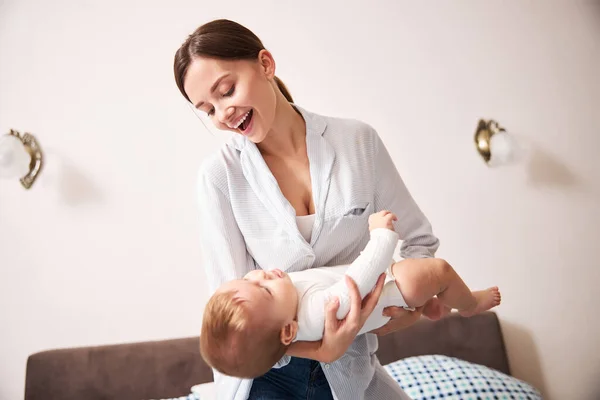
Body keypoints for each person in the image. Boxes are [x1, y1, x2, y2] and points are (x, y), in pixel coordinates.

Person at [174, 18, 441, 400]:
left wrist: (403, 308)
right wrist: (317, 349)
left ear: (265, 64)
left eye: (227, 90)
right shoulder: (219, 177)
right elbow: (232, 308)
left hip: (353, 371)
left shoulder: (357, 142)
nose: (223, 114)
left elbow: (419, 242)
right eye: (208, 109)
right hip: (268, 377)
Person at [200, 210, 501, 379]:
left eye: (249, 278)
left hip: (390, 289)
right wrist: (381, 235)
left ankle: (433, 307)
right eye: (264, 289)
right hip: (392, 290)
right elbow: (360, 279)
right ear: (289, 330)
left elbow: (271, 351)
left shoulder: (282, 315)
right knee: (439, 271)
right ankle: (470, 305)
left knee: (429, 283)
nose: (261, 275)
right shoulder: (316, 312)